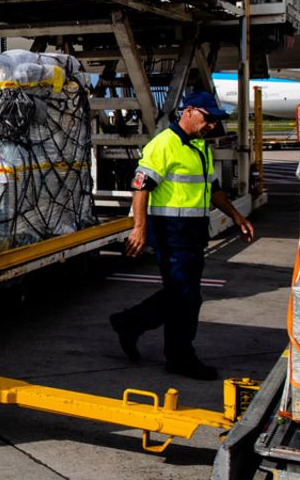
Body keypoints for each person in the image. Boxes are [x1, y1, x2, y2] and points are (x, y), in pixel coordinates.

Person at [109, 92, 255, 380]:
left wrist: (237, 215)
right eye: (208, 117)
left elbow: (212, 188)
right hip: (170, 234)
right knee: (186, 297)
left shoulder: (200, 147)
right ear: (188, 111)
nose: (212, 124)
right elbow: (141, 186)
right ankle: (179, 357)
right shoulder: (164, 144)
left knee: (183, 296)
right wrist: (138, 227)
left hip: (194, 235)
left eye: (215, 120)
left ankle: (129, 322)